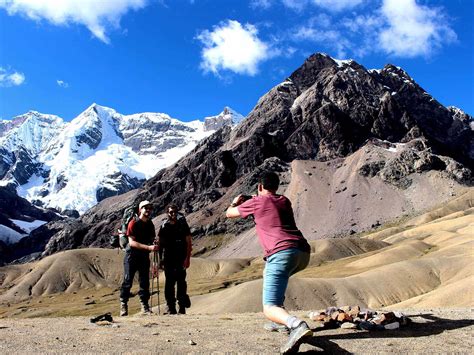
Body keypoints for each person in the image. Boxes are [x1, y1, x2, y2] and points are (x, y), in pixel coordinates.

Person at [226, 171, 312, 353]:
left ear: (259, 187)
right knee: (270, 275)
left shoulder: (256, 202)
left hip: (281, 253)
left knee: (269, 306)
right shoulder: (284, 200)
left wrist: (235, 202)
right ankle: (280, 321)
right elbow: (270, 206)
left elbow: (229, 214)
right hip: (302, 253)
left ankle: (296, 325)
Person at [119, 200, 159, 316]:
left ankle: (144, 306)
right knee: (127, 281)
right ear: (140, 209)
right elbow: (131, 243)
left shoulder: (150, 224)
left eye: (150, 208)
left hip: (143, 256)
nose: (148, 210)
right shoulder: (133, 223)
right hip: (132, 255)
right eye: (146, 208)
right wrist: (149, 248)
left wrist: (154, 243)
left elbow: (151, 238)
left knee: (144, 281)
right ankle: (123, 305)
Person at [158, 204, 192, 315]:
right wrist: (160, 260)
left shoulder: (182, 224)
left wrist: (187, 258)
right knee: (169, 284)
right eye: (171, 212)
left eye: (174, 212)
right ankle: (170, 308)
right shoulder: (164, 226)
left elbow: (188, 242)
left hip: (181, 258)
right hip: (168, 259)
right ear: (167, 213)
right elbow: (160, 244)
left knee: (181, 283)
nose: (173, 214)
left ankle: (182, 307)